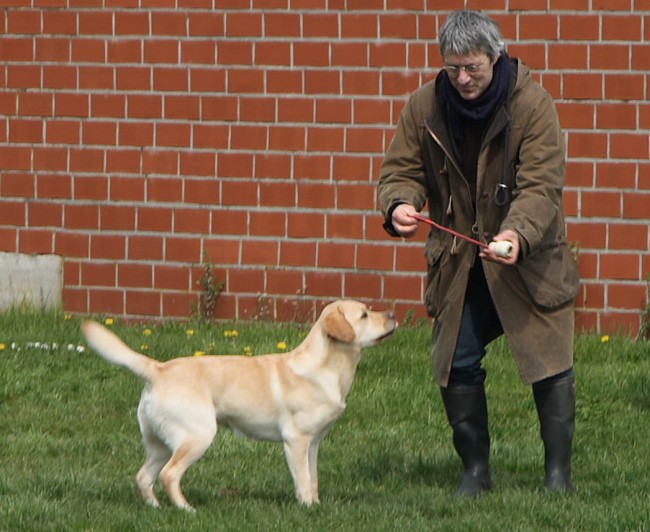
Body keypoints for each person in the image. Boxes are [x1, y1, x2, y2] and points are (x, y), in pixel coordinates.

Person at [378, 10, 580, 496]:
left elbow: (541, 187)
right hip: (459, 260)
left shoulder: (534, 104)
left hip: (528, 259)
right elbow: (399, 172)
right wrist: (399, 205)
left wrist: (515, 235)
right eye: (453, 69)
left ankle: (558, 477)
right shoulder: (423, 106)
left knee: (548, 360)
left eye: (472, 67)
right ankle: (475, 472)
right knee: (457, 360)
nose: (463, 79)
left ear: (496, 57)